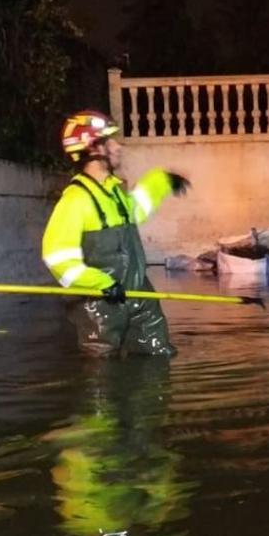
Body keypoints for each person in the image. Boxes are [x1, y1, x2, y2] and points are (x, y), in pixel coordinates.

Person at [41, 109, 190, 356]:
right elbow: (57, 257)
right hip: (101, 303)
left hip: (137, 292)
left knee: (159, 355)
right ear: (94, 148)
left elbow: (135, 211)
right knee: (102, 375)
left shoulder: (113, 192)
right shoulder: (75, 201)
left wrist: (161, 181)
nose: (118, 146)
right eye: (110, 139)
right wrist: (102, 284)